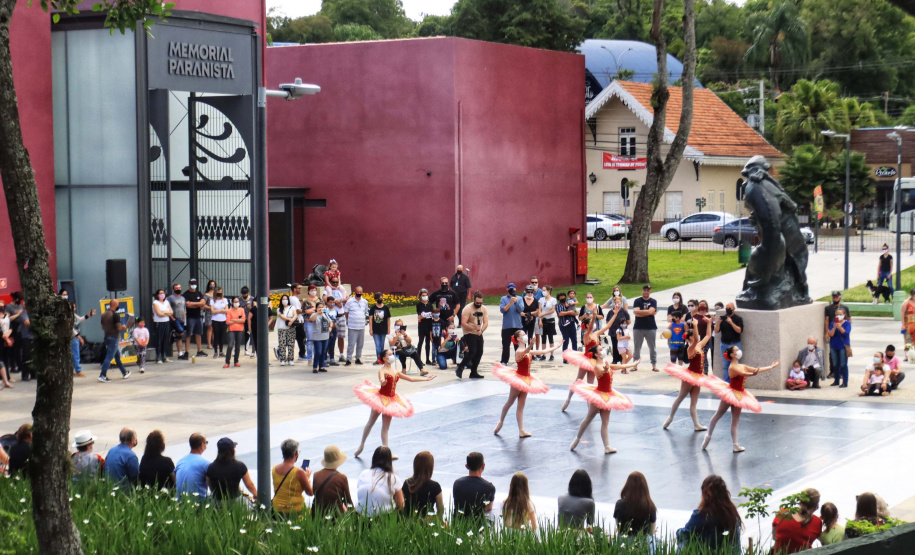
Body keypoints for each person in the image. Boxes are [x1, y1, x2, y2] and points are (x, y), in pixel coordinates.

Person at [353, 349, 435, 457]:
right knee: (371, 422)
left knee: (386, 427)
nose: (392, 356)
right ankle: (362, 444)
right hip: (381, 399)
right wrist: (383, 382)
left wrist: (425, 380)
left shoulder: (395, 371)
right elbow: (382, 379)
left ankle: (386, 452)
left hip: (391, 401)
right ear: (384, 358)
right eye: (390, 354)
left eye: (392, 354)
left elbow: (409, 378)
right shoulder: (382, 370)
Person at [703, 347, 780, 452]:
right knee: (718, 414)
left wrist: (771, 366)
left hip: (740, 395)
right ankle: (708, 436)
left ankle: (735, 445)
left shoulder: (741, 365)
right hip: (730, 393)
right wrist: (753, 373)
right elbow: (744, 373)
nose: (739, 351)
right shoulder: (732, 367)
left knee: (735, 420)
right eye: (736, 350)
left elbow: (754, 369)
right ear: (732, 355)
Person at [568, 345, 639, 454]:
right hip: (599, 396)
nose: (603, 350)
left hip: (608, 396)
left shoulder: (606, 363)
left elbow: (615, 366)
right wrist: (606, 370)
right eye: (601, 350)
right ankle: (576, 439)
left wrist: (632, 364)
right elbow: (601, 372)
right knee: (588, 418)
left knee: (605, 422)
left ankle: (607, 447)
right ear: (596, 354)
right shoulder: (597, 366)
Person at [492, 330, 558, 438]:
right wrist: (531, 345)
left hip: (527, 380)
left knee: (521, 406)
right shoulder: (518, 351)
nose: (525, 336)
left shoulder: (528, 351)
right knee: (510, 402)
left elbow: (542, 351)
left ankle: (521, 430)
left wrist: (555, 347)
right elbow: (524, 353)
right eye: (523, 335)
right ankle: (501, 421)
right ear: (518, 339)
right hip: (518, 379)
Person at [663, 318, 713, 432]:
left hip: (698, 377)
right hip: (690, 376)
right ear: (690, 337)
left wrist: (709, 323)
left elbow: (708, 335)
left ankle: (696, 424)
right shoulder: (691, 348)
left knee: (694, 402)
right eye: (695, 334)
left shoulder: (699, 346)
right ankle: (670, 417)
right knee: (680, 397)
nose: (697, 336)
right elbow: (696, 339)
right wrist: (695, 325)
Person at [676, 475, 742, 551]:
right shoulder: (731, 514)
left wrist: (678, 532)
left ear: (705, 494)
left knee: (684, 540)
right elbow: (736, 544)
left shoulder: (701, 515)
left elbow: (685, 534)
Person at [561, 317, 601, 411]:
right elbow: (590, 328)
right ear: (587, 325)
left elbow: (608, 326)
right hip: (586, 360)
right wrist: (594, 314)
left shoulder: (596, 334)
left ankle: (589, 407)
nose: (593, 324)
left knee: (590, 385)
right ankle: (568, 398)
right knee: (579, 380)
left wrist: (615, 314)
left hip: (594, 361)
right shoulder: (586, 334)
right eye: (592, 322)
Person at [206, 437, 257, 504]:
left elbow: (210, 486)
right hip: (235, 500)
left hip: (218, 502)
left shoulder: (211, 467)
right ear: (232, 450)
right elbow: (249, 485)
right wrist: (256, 495)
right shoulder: (240, 466)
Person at [356, 446, 403, 515]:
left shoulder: (363, 473)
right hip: (384, 517)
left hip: (361, 515)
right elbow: (401, 505)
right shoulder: (393, 478)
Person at [272, 439, 314, 515]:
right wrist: (307, 478)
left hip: (276, 508)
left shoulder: (274, 469)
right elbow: (310, 492)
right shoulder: (298, 472)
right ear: (296, 453)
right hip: (293, 510)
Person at [772, 488, 821, 553]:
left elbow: (774, 537)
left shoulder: (782, 513)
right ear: (816, 506)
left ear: (800, 500)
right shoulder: (816, 522)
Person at [452, 452, 496, 522]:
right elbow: (489, 508)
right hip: (478, 525)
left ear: (467, 466)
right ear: (483, 466)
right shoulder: (489, 487)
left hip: (458, 524)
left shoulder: (457, 483)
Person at [311, 444, 353, 516]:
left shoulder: (316, 475)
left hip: (318, 513)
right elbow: (348, 500)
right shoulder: (342, 477)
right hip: (336, 514)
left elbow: (314, 493)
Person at [402, 451, 444, 520]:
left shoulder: (407, 483)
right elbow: (440, 510)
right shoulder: (435, 486)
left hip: (409, 521)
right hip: (428, 522)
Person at [614, 471, 657, 536]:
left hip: (624, 543)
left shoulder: (619, 505)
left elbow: (619, 527)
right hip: (643, 544)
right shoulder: (650, 506)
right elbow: (651, 532)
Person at [456, 291, 487, 379]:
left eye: (480, 303)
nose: (479, 304)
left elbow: (486, 322)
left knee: (480, 352)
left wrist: (482, 330)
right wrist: (473, 327)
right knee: (472, 351)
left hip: (478, 332)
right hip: (469, 332)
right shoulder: (467, 308)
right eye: (477, 303)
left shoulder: (483, 308)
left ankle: (474, 371)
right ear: (474, 300)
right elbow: (463, 323)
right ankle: (460, 367)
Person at [99, 299, 130, 382]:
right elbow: (119, 328)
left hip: (107, 337)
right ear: (115, 305)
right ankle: (102, 375)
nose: (118, 306)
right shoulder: (115, 315)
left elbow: (102, 327)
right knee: (109, 357)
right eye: (118, 304)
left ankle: (124, 372)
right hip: (114, 338)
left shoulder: (104, 314)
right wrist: (124, 327)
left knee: (117, 357)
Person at [631, 285, 659, 372]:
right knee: (637, 347)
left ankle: (654, 364)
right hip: (638, 327)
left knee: (652, 347)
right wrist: (649, 313)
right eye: (644, 290)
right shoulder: (637, 301)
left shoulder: (653, 301)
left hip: (650, 327)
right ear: (642, 291)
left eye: (648, 290)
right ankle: (635, 364)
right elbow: (636, 313)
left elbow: (650, 311)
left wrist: (641, 312)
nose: (646, 292)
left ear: (650, 291)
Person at [715, 303, 743, 383]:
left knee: (737, 364)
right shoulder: (723, 318)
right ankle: (727, 383)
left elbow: (739, 330)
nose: (728, 310)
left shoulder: (738, 319)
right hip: (724, 345)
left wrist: (731, 322)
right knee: (725, 365)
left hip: (735, 344)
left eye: (730, 308)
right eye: (727, 308)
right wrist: (719, 322)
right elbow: (716, 331)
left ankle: (736, 383)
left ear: (733, 309)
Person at [175, 433, 209, 499]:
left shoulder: (180, 461)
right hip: (198, 503)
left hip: (179, 502)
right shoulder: (206, 463)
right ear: (202, 445)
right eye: (206, 443)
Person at [68, 296, 95, 378]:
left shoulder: (73, 315)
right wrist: (78, 337)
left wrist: (88, 315)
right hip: (73, 337)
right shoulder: (69, 316)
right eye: (74, 307)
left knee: (73, 354)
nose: (75, 308)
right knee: (75, 354)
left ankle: (73, 370)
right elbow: (71, 328)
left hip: (74, 337)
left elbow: (80, 319)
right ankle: (78, 370)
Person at [183, 278, 208, 359]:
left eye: (195, 283)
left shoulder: (199, 293)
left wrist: (193, 304)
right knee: (189, 334)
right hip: (190, 317)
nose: (193, 284)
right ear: (189, 284)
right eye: (192, 283)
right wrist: (198, 304)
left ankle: (199, 350)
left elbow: (203, 303)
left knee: (198, 334)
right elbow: (187, 305)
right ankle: (186, 351)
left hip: (198, 317)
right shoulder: (186, 294)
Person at [826, 307, 851, 388]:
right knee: (835, 364)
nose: (838, 316)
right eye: (837, 314)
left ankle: (845, 381)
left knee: (843, 364)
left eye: (840, 314)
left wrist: (840, 327)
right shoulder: (833, 323)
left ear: (844, 315)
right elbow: (831, 334)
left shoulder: (847, 323)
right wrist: (834, 327)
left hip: (843, 346)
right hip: (834, 345)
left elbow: (846, 333)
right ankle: (836, 380)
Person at [825, 291, 851, 370]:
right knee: (832, 355)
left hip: (843, 337)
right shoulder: (828, 308)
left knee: (843, 360)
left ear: (840, 297)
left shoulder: (845, 307)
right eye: (834, 297)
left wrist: (846, 328)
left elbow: (849, 319)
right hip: (833, 333)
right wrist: (827, 332)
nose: (835, 298)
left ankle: (842, 374)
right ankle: (832, 371)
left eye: (836, 297)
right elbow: (827, 320)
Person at [325, 277, 348, 362]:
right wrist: (335, 303)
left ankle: (341, 354)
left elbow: (347, 298)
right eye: (333, 282)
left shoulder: (341, 290)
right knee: (330, 336)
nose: (335, 284)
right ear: (330, 282)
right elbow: (325, 300)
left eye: (336, 282)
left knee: (341, 336)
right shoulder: (327, 290)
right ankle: (328, 354)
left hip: (341, 316)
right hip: (332, 317)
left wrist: (340, 301)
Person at [500, 283, 523, 364]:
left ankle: (519, 361)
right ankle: (504, 361)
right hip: (507, 326)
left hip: (517, 326)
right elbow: (503, 310)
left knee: (518, 346)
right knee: (506, 345)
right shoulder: (503, 299)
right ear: (507, 290)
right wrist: (510, 302)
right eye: (510, 289)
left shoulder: (519, 298)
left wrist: (516, 302)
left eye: (513, 289)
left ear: (515, 289)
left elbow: (521, 309)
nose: (512, 290)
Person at [344, 286, 368, 365]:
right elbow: (346, 312)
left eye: (360, 292)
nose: (359, 293)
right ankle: (349, 358)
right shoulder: (350, 301)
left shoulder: (364, 301)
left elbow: (365, 312)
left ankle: (358, 358)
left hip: (361, 326)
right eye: (357, 291)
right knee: (351, 344)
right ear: (355, 291)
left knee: (360, 344)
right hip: (352, 326)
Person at [602, 296, 630, 364]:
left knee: (621, 346)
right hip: (613, 331)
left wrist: (624, 327)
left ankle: (621, 359)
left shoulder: (624, 311)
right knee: (615, 345)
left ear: (621, 302)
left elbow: (628, 321)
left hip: (621, 332)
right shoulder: (611, 312)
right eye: (615, 302)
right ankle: (615, 359)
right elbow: (607, 322)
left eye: (618, 302)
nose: (616, 303)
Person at [310, 300, 334, 373]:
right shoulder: (314, 314)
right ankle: (315, 366)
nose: (320, 309)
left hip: (325, 335)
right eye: (319, 307)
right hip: (317, 336)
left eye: (322, 307)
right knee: (318, 352)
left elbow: (331, 322)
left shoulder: (325, 314)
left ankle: (321, 366)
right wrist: (317, 313)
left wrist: (330, 327)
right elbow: (311, 319)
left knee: (324, 352)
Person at [222, 297, 246, 368]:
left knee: (238, 346)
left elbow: (243, 320)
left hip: (240, 330)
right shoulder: (229, 311)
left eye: (237, 301)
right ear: (232, 303)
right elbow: (227, 322)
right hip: (231, 330)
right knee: (230, 345)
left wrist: (233, 320)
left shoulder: (241, 310)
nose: (236, 303)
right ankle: (227, 362)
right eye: (235, 302)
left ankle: (236, 361)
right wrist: (237, 320)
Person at [301, 284, 321, 362]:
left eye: (315, 290)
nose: (313, 292)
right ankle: (309, 358)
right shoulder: (306, 301)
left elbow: (323, 308)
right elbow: (306, 311)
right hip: (309, 322)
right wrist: (316, 310)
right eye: (312, 290)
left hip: (318, 322)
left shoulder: (319, 299)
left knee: (317, 340)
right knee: (310, 340)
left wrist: (313, 310)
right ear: (308, 291)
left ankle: (317, 357)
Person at [276, 294, 297, 366]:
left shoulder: (292, 307)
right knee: (282, 344)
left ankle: (291, 359)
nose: (284, 301)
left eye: (286, 299)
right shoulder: (279, 309)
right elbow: (281, 316)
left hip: (291, 328)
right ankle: (282, 359)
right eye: (283, 299)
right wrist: (289, 319)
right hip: (282, 328)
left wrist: (291, 321)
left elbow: (295, 315)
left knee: (291, 344)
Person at [167, 284, 187, 360]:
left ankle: (180, 353)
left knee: (180, 337)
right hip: (175, 318)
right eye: (176, 288)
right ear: (173, 289)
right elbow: (168, 308)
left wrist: (184, 318)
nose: (178, 289)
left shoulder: (183, 298)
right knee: (181, 332)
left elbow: (184, 309)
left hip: (181, 319)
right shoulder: (170, 298)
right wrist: (172, 318)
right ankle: (173, 335)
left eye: (179, 288)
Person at [287, 283, 306, 361]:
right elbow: (297, 311)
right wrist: (306, 311)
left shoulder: (294, 298)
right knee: (301, 338)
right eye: (299, 288)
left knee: (297, 337)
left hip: (298, 320)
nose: (300, 290)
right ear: (294, 289)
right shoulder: (294, 299)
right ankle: (302, 354)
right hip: (297, 321)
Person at [415, 288, 434, 365]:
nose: (424, 297)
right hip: (422, 326)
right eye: (423, 295)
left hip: (429, 325)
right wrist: (427, 314)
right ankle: (418, 359)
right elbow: (420, 316)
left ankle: (427, 359)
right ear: (420, 296)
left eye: (426, 295)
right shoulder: (419, 305)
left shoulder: (430, 304)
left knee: (428, 343)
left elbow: (432, 313)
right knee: (421, 342)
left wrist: (426, 314)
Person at [209, 287, 229, 358]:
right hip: (215, 320)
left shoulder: (225, 300)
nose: (219, 293)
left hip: (223, 320)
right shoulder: (212, 300)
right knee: (216, 336)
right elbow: (212, 311)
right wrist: (221, 310)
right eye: (218, 291)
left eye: (220, 291)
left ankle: (221, 351)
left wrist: (219, 311)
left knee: (222, 336)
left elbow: (227, 310)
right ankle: (215, 352)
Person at [203, 280, 217, 350]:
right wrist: (210, 308)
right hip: (209, 313)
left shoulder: (216, 294)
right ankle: (209, 344)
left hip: (216, 312)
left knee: (214, 328)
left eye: (213, 284)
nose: (212, 285)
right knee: (210, 328)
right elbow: (203, 305)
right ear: (209, 285)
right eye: (211, 284)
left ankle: (214, 343)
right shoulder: (206, 295)